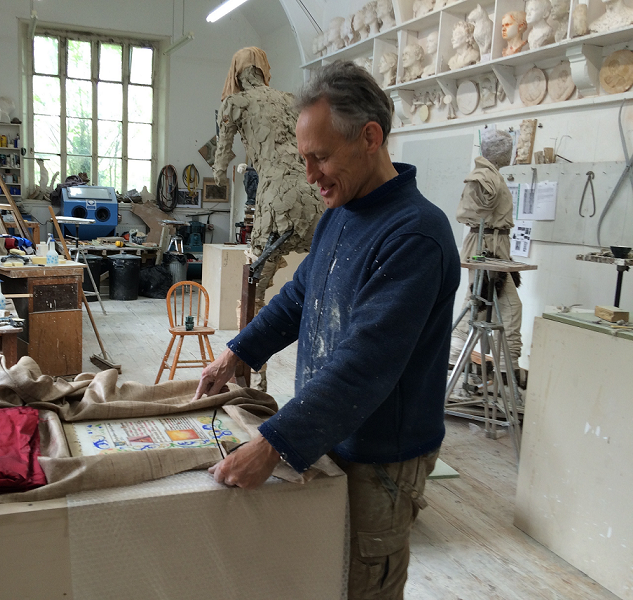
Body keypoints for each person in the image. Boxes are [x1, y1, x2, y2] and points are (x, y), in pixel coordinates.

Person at [195, 60, 461, 599]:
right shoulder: (342, 211)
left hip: (382, 456)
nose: (310, 176)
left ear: (370, 137)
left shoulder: (416, 236)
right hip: (330, 431)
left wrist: (274, 443)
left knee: (363, 585)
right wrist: (238, 353)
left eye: (320, 158)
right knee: (319, 573)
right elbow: (300, 296)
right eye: (304, 159)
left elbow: (366, 364)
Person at [214, 47, 325, 391]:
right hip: (314, 195)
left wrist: (221, 172)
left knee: (254, 288)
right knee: (324, 281)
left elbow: (220, 161)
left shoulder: (234, 103)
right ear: (265, 69)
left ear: (235, 71)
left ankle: (251, 377)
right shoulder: (291, 100)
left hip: (276, 197)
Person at [449, 128, 523, 376]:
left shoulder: (490, 175)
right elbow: (471, 212)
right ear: (502, 152)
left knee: (476, 302)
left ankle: (454, 352)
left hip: (493, 245)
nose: (511, 154)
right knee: (510, 308)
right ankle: (507, 370)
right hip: (486, 247)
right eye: (509, 150)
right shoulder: (484, 176)